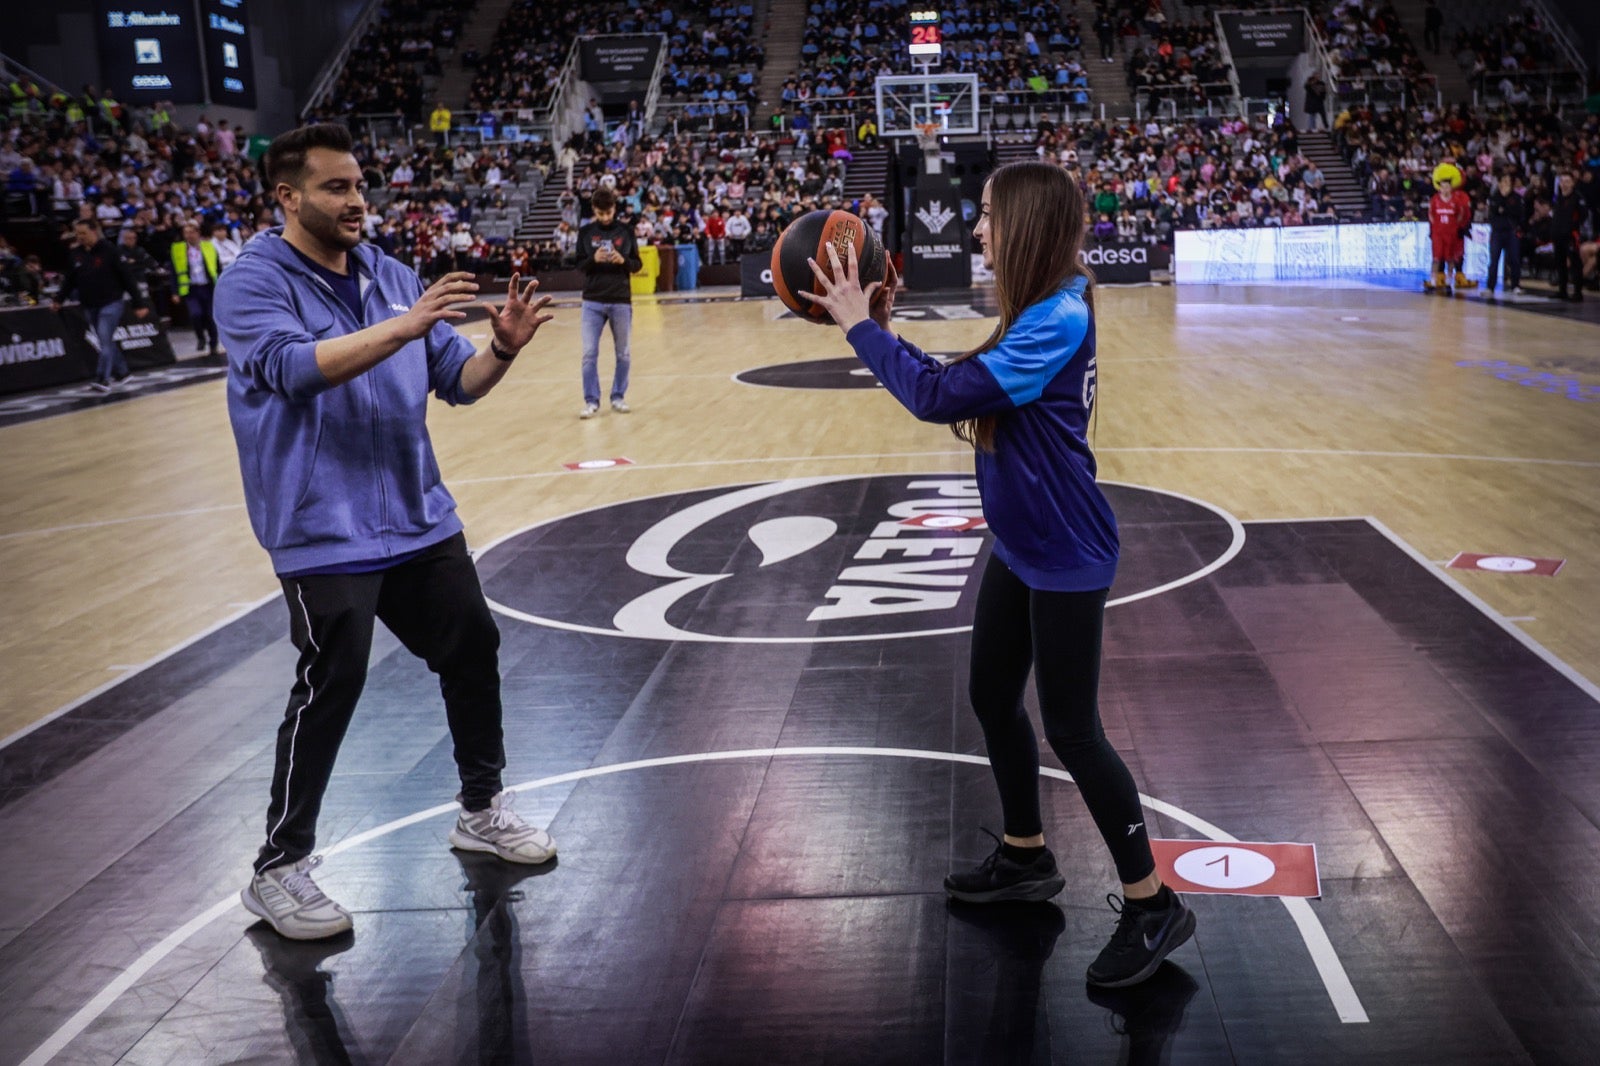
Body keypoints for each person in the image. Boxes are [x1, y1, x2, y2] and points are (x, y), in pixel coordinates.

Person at [798, 161, 1195, 989]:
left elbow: (943, 400)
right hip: (1023, 543)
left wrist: (858, 327)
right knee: (989, 694)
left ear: (1028, 226)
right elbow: (957, 384)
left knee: (1074, 731)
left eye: (986, 216)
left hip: (1065, 553)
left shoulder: (1054, 318)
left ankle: (1153, 903)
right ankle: (1024, 855)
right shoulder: (1043, 308)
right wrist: (887, 329)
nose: (976, 230)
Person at [215, 122, 558, 941]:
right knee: (333, 678)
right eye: (335, 188)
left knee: (473, 643)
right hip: (319, 527)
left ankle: (481, 809)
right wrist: (405, 326)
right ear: (288, 198)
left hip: (415, 516)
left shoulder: (391, 274)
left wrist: (501, 352)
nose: (357, 201)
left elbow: (459, 382)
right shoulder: (252, 282)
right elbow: (296, 369)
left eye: (360, 185)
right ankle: (279, 867)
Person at [53, 217, 149, 390]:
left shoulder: (110, 250)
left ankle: (102, 378)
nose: (80, 237)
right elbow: (69, 280)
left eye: (83, 233)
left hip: (111, 303)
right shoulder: (76, 254)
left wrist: (139, 303)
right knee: (106, 341)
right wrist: (59, 299)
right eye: (77, 234)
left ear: (94, 231)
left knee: (104, 339)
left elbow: (127, 277)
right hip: (90, 304)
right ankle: (123, 372)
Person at [575, 185, 640, 418]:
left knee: (623, 353)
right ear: (594, 210)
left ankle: (618, 396)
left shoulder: (626, 231)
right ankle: (591, 401)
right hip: (592, 300)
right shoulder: (585, 232)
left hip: (621, 299)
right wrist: (594, 259)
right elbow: (579, 265)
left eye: (608, 212)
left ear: (614, 208)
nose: (605, 217)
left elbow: (637, 265)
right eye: (600, 213)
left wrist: (623, 260)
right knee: (589, 353)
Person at [171, 221, 222, 355]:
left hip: (208, 287)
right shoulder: (178, 249)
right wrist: (175, 291)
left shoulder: (208, 246)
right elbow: (173, 272)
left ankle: (213, 343)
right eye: (186, 233)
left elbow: (217, 267)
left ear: (198, 233)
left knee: (211, 317)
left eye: (192, 232)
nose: (189, 236)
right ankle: (200, 338)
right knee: (196, 314)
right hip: (191, 288)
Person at [1426, 173, 1475, 292]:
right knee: (1436, 258)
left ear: (1451, 188)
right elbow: (1431, 214)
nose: (1445, 189)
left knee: (1450, 258)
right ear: (1439, 188)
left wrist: (1454, 226)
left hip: (1451, 233)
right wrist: (1435, 228)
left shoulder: (1456, 200)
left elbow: (1460, 215)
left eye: (1447, 187)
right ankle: (1433, 282)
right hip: (1438, 233)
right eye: (1442, 187)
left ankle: (1449, 282)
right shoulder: (1435, 200)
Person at [1551, 172, 1589, 302]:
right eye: (1562, 181)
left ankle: (1578, 292)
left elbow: (1583, 215)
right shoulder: (1558, 198)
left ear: (1572, 183)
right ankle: (1562, 290)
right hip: (1558, 235)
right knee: (1560, 262)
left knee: (1575, 263)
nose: (1564, 184)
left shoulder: (1577, 198)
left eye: (1567, 181)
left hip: (1571, 235)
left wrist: (1573, 227)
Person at [1485, 174, 1525, 296]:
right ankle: (1490, 287)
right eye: (1503, 181)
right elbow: (1493, 213)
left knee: (1514, 259)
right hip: (1497, 232)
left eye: (1508, 181)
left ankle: (1515, 285)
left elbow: (1519, 214)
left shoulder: (1517, 198)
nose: (1505, 183)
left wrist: (1503, 209)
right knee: (1494, 260)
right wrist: (1502, 208)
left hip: (1511, 232)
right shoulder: (1494, 197)